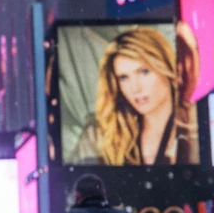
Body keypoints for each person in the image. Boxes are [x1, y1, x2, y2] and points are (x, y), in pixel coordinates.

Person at [73, 26, 199, 167]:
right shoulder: (98, 135)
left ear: (168, 68)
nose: (135, 88)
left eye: (144, 72)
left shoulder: (197, 125)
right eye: (124, 78)